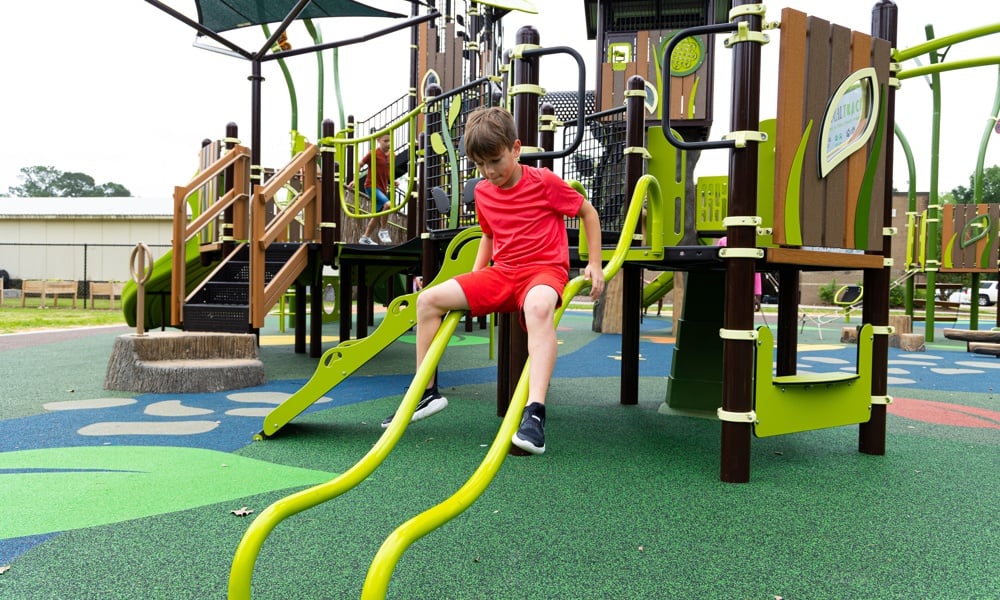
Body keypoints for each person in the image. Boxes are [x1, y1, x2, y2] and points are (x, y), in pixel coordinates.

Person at [381, 107, 606, 455]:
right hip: (503, 273)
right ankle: (426, 392)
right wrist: (475, 274)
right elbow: (488, 235)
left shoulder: (543, 182)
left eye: (496, 160)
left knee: (538, 307)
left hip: (543, 271)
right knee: (427, 300)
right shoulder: (485, 192)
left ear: (516, 149)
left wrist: (594, 263)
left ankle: (535, 414)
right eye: (480, 164)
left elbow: (587, 211)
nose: (489, 171)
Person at [357, 133, 393, 245]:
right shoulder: (373, 154)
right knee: (388, 204)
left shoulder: (391, 155)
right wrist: (355, 179)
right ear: (378, 140)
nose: (388, 144)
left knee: (377, 215)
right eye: (385, 141)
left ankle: (365, 237)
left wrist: (392, 181)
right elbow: (360, 164)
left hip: (382, 188)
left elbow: (387, 172)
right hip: (371, 186)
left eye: (390, 141)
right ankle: (383, 230)